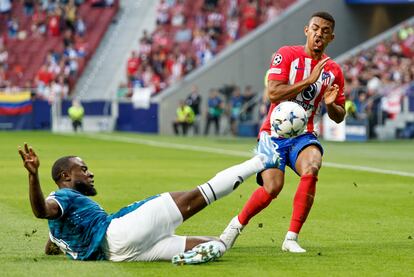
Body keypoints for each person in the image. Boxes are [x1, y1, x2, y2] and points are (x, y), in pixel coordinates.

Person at [17, 133, 280, 264]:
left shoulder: (61, 219)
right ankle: (262, 159)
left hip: (120, 255)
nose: (90, 173)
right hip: (118, 232)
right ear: (65, 175)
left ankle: (192, 257)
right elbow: (42, 211)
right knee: (197, 196)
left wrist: (54, 245)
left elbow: (51, 240)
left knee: (217, 244)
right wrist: (32, 176)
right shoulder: (63, 195)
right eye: (83, 170)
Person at [220, 11, 346, 253]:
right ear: (306, 30)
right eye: (316, 28)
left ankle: (291, 238)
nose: (320, 33)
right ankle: (234, 227)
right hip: (273, 134)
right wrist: (309, 81)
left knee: (312, 165)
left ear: (331, 37)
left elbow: (339, 116)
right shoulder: (286, 54)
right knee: (272, 188)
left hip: (304, 134)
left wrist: (330, 104)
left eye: (325, 31)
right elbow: (274, 93)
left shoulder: (334, 71)